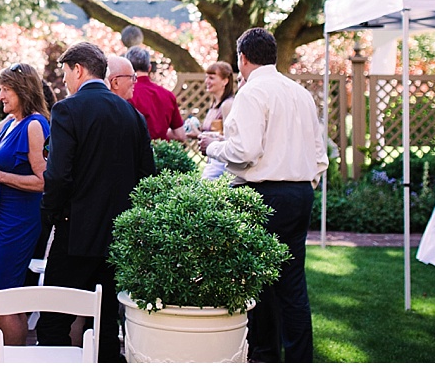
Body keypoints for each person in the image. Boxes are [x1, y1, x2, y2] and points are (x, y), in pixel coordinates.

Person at [200, 28, 328, 363]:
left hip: (263, 195)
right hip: (299, 194)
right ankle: (299, 360)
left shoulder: (251, 92)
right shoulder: (299, 93)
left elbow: (245, 151)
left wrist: (211, 147)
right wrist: (304, 184)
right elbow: (319, 154)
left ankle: (264, 356)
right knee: (292, 286)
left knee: (257, 281)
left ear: (242, 58)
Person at [40, 42, 155, 363]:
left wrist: (49, 214)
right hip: (119, 233)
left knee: (54, 318)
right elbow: (148, 176)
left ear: (79, 69)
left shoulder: (67, 109)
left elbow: (59, 175)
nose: (65, 81)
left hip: (74, 230)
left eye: (65, 73)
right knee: (105, 322)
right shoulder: (131, 113)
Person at [0, 62, 50, 348]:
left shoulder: (35, 124)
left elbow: (44, 181)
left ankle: (14, 359)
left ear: (23, 90)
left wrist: (0, 177)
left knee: (6, 296)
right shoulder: (11, 123)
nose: (1, 96)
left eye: (6, 89)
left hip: (19, 219)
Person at [125, 46, 186, 141]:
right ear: (149, 68)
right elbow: (180, 136)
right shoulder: (167, 95)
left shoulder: (125, 93)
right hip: (161, 151)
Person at [199, 61, 236, 181]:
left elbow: (230, 138)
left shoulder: (228, 105)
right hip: (211, 162)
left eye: (211, 78)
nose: (207, 82)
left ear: (225, 81)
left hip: (221, 166)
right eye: (206, 78)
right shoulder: (214, 105)